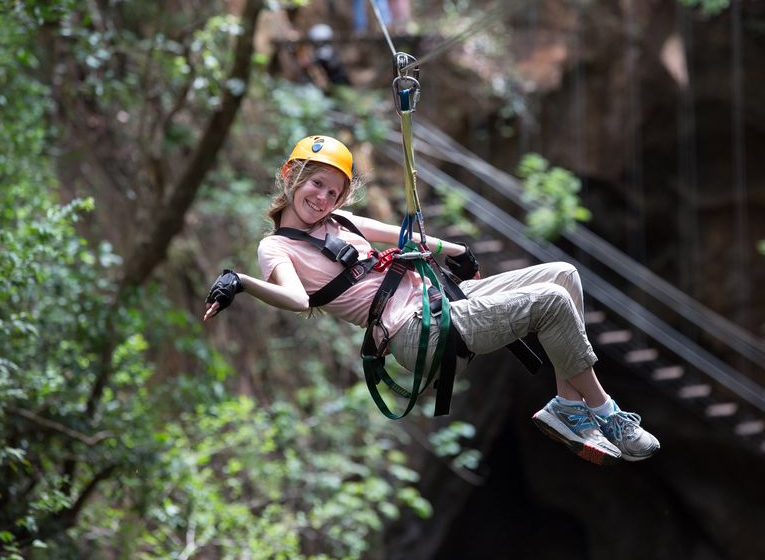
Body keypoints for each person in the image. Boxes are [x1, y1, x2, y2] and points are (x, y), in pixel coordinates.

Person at [203, 135, 660, 465]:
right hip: (415, 329)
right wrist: (240, 281)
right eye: (315, 184)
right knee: (550, 302)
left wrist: (458, 252)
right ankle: (606, 412)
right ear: (290, 176)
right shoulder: (277, 248)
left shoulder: (341, 221)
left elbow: (410, 237)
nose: (322, 198)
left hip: (442, 300)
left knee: (564, 275)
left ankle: (568, 404)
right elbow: (297, 299)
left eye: (333, 191)